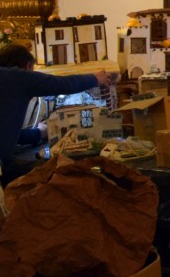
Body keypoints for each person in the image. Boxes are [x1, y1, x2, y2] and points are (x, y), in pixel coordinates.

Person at [0, 43, 114, 186]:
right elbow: (64, 83)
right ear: (28, 67)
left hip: (5, 159)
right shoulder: (19, 78)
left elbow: (6, 132)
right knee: (52, 172)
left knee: (36, 168)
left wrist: (38, 134)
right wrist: (95, 78)